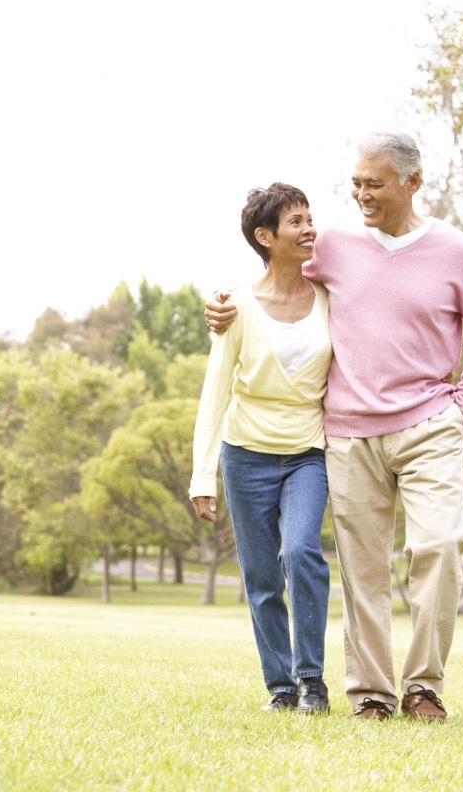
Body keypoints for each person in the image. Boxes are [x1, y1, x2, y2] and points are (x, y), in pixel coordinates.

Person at [205, 132, 463, 722]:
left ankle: (424, 687)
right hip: (347, 432)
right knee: (364, 570)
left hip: (430, 424)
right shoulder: (335, 243)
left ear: (411, 183)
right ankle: (371, 693)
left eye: (374, 183)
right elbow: (278, 278)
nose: (360, 193)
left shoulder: (456, 250)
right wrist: (222, 303)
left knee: (442, 545)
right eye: (356, 182)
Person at [190, 183, 333, 714]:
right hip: (245, 453)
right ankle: (280, 687)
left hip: (307, 452)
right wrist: (203, 477)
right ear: (265, 237)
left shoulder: (328, 294)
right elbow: (215, 391)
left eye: (310, 218)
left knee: (299, 552)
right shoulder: (237, 307)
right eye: (296, 221)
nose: (309, 229)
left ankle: (311, 681)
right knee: (262, 577)